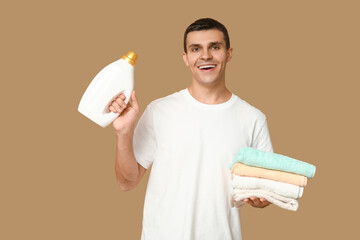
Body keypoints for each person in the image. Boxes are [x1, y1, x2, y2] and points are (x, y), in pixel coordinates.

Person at [109, 18, 273, 240]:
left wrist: (262, 199)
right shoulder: (159, 111)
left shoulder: (253, 119)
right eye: (196, 49)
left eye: (215, 47)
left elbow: (265, 190)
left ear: (229, 53)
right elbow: (126, 182)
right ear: (185, 58)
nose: (205, 56)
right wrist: (123, 133)